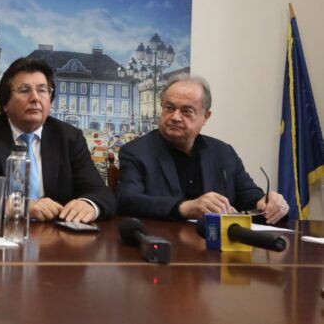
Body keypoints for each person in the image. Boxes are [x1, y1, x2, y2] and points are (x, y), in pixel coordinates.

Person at [0, 57, 116, 222]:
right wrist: (20, 206)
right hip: (3, 231)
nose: (35, 98)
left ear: (50, 100)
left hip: (56, 233)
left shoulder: (70, 137)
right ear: (5, 104)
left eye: (42, 90)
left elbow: (101, 193)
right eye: (24, 90)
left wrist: (88, 204)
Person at [117, 74, 289, 224]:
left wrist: (266, 203)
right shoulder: (136, 152)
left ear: (206, 117)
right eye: (169, 108)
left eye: (186, 111)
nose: (175, 117)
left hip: (216, 245)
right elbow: (128, 200)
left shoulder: (223, 152)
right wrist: (186, 207)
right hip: (165, 241)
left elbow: (248, 194)